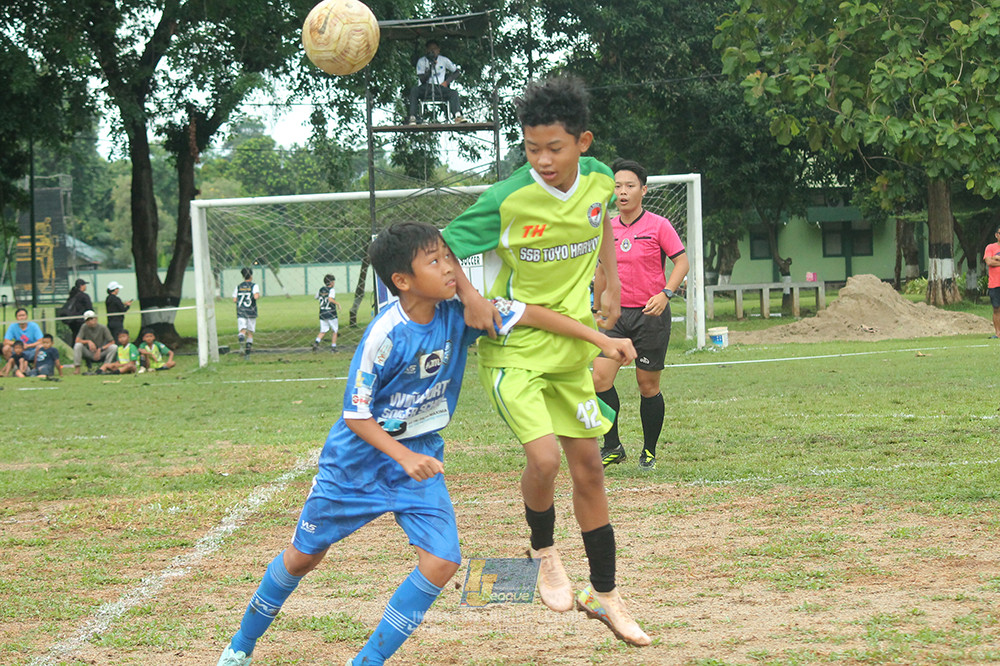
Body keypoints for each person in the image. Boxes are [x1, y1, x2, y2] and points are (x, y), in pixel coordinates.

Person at [215, 221, 635, 666]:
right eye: (434, 261)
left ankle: (366, 662)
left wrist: (600, 339)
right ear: (403, 280)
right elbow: (356, 413)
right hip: (357, 464)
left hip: (419, 461)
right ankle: (241, 645)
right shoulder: (385, 334)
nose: (449, 268)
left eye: (448, 257)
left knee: (441, 561)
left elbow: (532, 314)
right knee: (302, 559)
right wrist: (403, 455)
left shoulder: (461, 312)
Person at [441, 76, 650, 646]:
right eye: (532, 148)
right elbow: (441, 245)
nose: (542, 160)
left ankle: (606, 595)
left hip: (572, 348)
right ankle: (544, 552)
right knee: (544, 460)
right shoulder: (508, 198)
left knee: (589, 467)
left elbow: (603, 215)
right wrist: (470, 295)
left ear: (582, 141)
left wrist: (608, 281)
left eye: (553, 148)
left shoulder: (603, 179)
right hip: (515, 348)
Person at [592, 159, 689, 470]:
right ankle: (613, 445)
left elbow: (682, 263)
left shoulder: (659, 225)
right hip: (616, 316)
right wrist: (596, 309)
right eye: (617, 186)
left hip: (651, 316)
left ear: (643, 190)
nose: (622, 192)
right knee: (599, 378)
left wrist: (666, 294)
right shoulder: (605, 226)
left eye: (629, 186)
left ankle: (649, 450)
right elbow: (601, 272)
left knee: (647, 386)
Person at [407, 39, 467, 125]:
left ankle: (457, 116)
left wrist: (447, 82)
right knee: (414, 90)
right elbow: (422, 79)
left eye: (434, 49)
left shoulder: (444, 60)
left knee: (453, 93)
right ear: (426, 51)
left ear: (438, 50)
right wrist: (430, 68)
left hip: (439, 87)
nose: (432, 51)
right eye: (430, 49)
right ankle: (413, 117)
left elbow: (457, 72)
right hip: (425, 87)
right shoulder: (422, 61)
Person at [73, 310, 117, 374]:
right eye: (87, 320)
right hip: (89, 352)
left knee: (114, 347)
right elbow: (77, 340)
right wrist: (88, 341)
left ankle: (106, 367)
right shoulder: (84, 327)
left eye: (91, 319)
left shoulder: (103, 327)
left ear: (96, 318)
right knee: (78, 345)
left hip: (101, 352)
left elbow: (112, 342)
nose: (90, 321)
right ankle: (77, 368)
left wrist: (100, 349)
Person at [233, 267, 260, 359]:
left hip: (241, 311)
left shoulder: (238, 286)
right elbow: (256, 296)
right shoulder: (254, 286)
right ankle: (247, 355)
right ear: (251, 276)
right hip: (251, 311)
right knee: (250, 333)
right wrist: (255, 295)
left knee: (242, 330)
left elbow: (234, 299)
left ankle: (241, 346)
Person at [312, 274, 340, 352]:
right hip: (331, 312)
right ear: (331, 282)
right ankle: (333, 348)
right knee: (335, 330)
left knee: (323, 330)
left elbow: (316, 297)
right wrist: (337, 304)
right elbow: (330, 299)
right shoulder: (332, 290)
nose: (334, 283)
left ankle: (316, 342)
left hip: (322, 312)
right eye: (333, 281)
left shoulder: (321, 289)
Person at [985, 224, 1000, 338]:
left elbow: (993, 259)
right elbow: (989, 262)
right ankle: (998, 333)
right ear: (996, 235)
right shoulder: (990, 247)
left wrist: (996, 258)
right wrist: (993, 259)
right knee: (996, 308)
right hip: (995, 283)